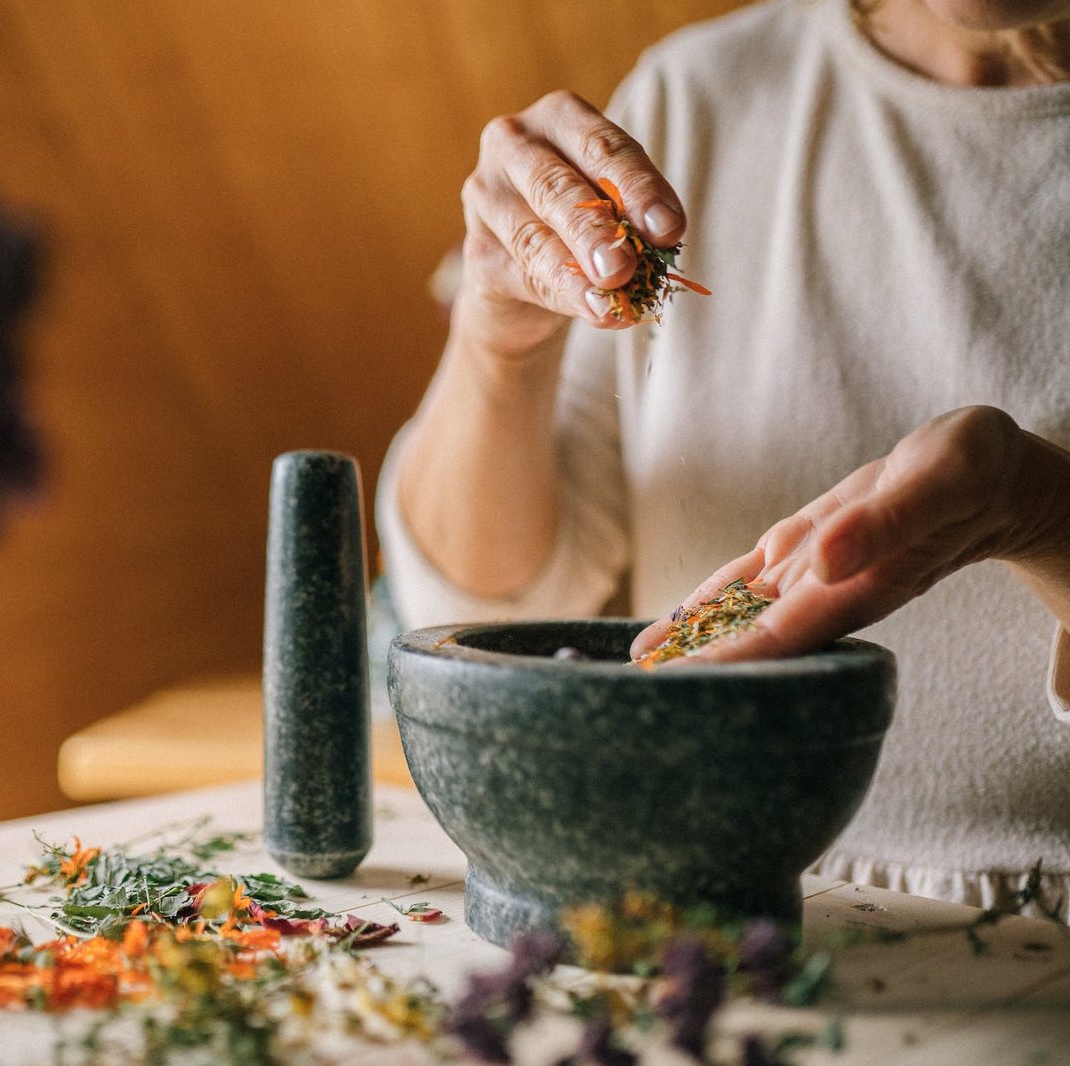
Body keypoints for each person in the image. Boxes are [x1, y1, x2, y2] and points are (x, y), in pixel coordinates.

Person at [376, 0, 1070, 913]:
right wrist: (499, 341)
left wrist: (1047, 519)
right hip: (697, 909)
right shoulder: (697, 94)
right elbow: (482, 610)